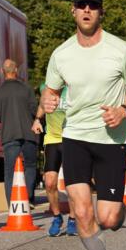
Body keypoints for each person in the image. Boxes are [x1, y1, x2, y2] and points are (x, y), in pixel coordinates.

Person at [41, 0, 126, 250]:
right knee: (83, 213)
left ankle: (117, 206)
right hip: (74, 138)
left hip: (111, 140)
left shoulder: (120, 50)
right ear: (73, 11)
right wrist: (48, 100)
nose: (87, 11)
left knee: (109, 219)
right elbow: (51, 91)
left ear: (100, 13)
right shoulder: (61, 54)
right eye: (81, 6)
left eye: (93, 7)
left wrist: (124, 110)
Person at [0, 59, 39, 204]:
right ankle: (28, 197)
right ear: (16, 70)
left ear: (2, 72)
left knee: (9, 170)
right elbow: (34, 111)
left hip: (9, 134)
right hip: (29, 134)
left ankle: (12, 203)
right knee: (30, 165)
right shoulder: (27, 89)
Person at [34, 84, 76, 237]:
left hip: (71, 138)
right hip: (51, 139)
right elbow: (42, 104)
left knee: (73, 183)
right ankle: (57, 217)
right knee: (50, 182)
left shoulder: (75, 86)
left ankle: (72, 219)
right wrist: (37, 119)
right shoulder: (45, 87)